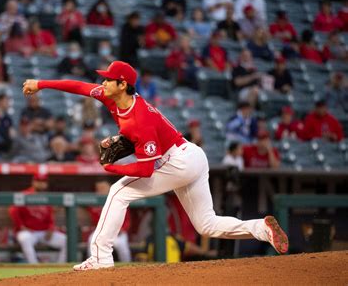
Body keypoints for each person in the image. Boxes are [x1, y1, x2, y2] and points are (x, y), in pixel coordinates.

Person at [23, 60, 289, 271]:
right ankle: (261, 229)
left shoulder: (139, 120)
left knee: (118, 191)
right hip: (188, 156)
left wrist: (112, 169)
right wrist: (41, 84)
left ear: (122, 83)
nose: (102, 82)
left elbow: (146, 170)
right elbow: (79, 86)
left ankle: (100, 258)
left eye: (108, 79)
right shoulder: (111, 97)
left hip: (179, 160)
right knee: (206, 225)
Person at [9, 178, 67, 263]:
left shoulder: (47, 197)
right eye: (39, 181)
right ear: (33, 182)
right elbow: (12, 210)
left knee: (66, 241)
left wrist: (51, 228)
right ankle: (34, 266)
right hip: (30, 232)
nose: (41, 184)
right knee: (25, 238)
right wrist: (21, 226)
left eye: (43, 182)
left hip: (44, 232)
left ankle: (59, 268)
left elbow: (50, 216)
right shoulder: (24, 195)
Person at [86, 180, 131, 262]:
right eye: (98, 189)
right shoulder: (94, 204)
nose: (100, 191)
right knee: (91, 240)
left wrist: (122, 229)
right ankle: (92, 263)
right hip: (100, 232)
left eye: (103, 188)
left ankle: (127, 266)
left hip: (117, 232)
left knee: (122, 246)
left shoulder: (118, 200)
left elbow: (127, 220)